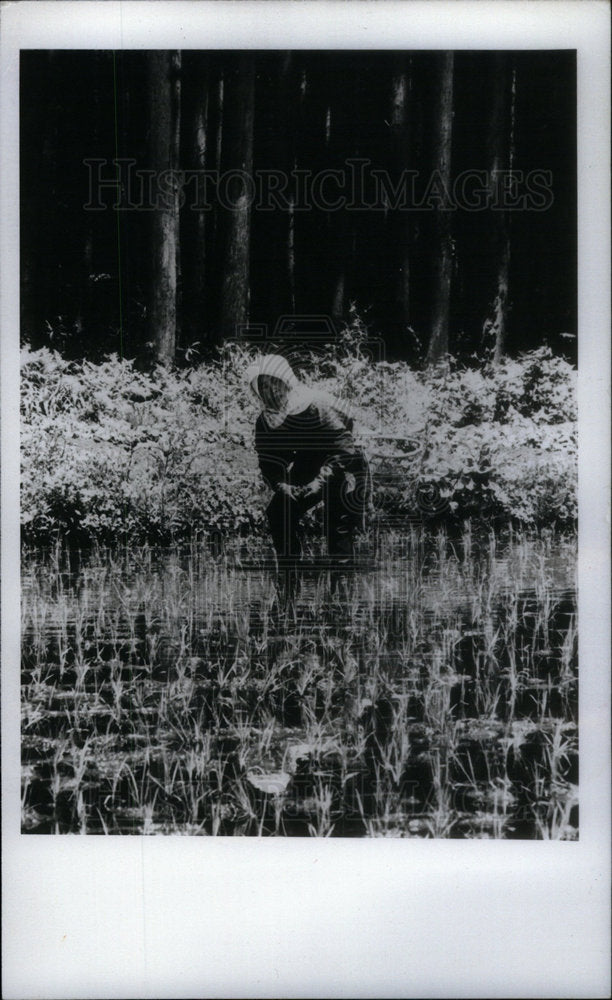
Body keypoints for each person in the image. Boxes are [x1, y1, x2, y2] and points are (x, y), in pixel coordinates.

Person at [246, 354, 371, 563]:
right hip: (309, 459)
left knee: (338, 524)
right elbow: (269, 461)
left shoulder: (318, 406)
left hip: (342, 462)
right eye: (264, 386)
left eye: (275, 383)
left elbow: (344, 450)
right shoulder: (266, 421)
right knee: (279, 512)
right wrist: (282, 486)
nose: (271, 391)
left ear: (286, 383)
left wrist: (318, 483)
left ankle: (341, 587)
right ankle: (289, 579)